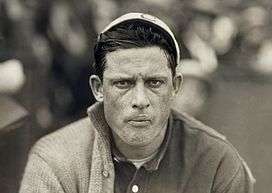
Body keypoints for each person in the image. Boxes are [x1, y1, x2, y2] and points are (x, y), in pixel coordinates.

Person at [19, 13, 255, 193]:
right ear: (98, 89)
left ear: (175, 87)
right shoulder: (55, 159)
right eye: (123, 83)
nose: (140, 101)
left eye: (154, 83)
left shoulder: (218, 161)